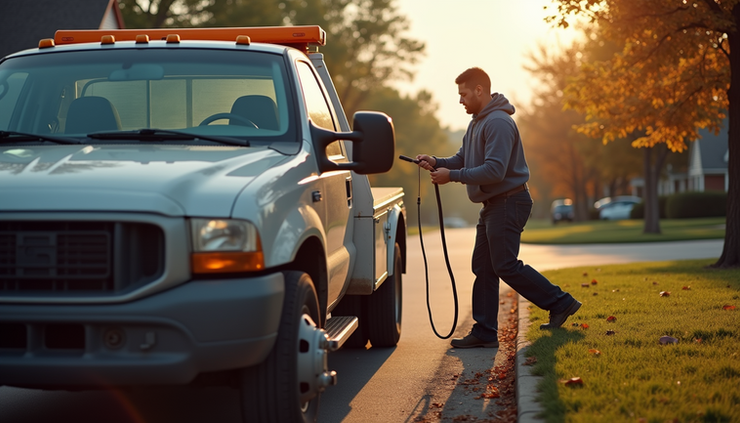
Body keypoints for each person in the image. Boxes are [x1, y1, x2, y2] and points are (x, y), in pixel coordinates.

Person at [416, 67, 581, 349]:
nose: (460, 101)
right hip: (493, 203)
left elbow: (494, 170)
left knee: (504, 264)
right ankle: (485, 331)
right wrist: (437, 161)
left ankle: (560, 302)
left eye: (464, 94)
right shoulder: (477, 122)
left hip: (509, 200)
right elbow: (462, 157)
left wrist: (451, 176)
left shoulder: (498, 123)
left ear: (480, 90)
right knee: (483, 266)